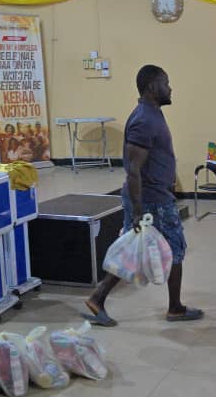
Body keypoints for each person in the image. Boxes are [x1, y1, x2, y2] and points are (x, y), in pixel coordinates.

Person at [86, 65, 203, 327]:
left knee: (132, 250)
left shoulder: (151, 114)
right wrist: (139, 211)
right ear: (152, 87)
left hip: (152, 197)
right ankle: (175, 308)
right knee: (176, 248)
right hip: (152, 200)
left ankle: (97, 298)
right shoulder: (144, 120)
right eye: (166, 83)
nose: (170, 88)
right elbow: (133, 170)